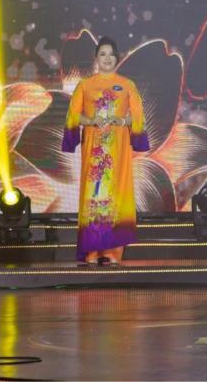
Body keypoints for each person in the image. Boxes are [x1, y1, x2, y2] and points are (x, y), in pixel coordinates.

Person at [61, 37, 150, 265]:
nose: (107, 58)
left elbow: (138, 117)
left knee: (116, 195)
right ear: (96, 58)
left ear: (117, 58)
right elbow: (73, 115)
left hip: (117, 150)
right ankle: (92, 252)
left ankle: (112, 253)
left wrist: (122, 121)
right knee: (94, 196)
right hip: (94, 149)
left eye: (111, 54)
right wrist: (91, 120)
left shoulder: (127, 85)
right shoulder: (85, 85)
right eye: (103, 54)